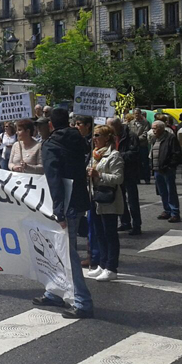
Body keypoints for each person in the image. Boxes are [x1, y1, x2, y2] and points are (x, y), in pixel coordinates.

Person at [40, 108, 94, 318]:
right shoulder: (79, 140)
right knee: (59, 249)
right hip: (79, 199)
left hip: (66, 204)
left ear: (51, 125)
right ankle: (55, 291)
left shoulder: (51, 144)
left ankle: (83, 302)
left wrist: (58, 211)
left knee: (68, 253)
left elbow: (54, 179)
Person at [85, 125, 124, 282]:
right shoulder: (95, 155)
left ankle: (111, 267)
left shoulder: (114, 156)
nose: (94, 138)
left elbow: (118, 178)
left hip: (109, 199)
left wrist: (99, 174)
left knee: (110, 234)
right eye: (93, 135)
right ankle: (102, 264)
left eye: (97, 135)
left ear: (107, 138)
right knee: (99, 233)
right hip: (95, 198)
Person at [108, 117, 141, 235]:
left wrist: (117, 156)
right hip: (117, 171)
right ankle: (125, 222)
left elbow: (134, 153)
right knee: (120, 199)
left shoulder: (131, 136)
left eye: (110, 127)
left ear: (117, 126)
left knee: (132, 200)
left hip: (129, 172)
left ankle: (137, 225)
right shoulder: (111, 137)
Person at [150, 120, 182, 222]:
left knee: (171, 191)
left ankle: (174, 213)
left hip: (167, 169)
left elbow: (176, 153)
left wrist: (170, 166)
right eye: (153, 128)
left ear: (161, 128)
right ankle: (167, 210)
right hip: (157, 169)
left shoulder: (170, 138)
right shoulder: (155, 139)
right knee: (162, 192)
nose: (153, 131)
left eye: (155, 128)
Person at [129, 109, 151, 184]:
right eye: (135, 114)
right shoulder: (131, 123)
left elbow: (146, 133)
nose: (137, 115)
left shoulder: (146, 123)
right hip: (134, 146)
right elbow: (130, 133)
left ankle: (147, 178)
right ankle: (137, 178)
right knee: (136, 163)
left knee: (145, 162)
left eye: (138, 114)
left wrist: (137, 139)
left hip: (142, 145)